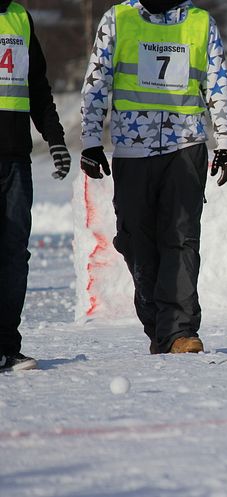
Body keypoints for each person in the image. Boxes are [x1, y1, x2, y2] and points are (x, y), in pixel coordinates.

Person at [80, 0, 227, 354]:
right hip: (133, 151)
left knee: (181, 239)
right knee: (136, 241)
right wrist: (90, 142)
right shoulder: (118, 19)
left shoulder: (200, 22)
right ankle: (159, 325)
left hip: (186, 145)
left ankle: (180, 330)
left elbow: (218, 83)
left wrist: (224, 142)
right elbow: (97, 81)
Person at [0, 0, 71, 371]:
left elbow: (36, 86)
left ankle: (8, 347)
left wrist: (55, 138)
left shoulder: (19, 17)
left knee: (14, 257)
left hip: (14, 158)